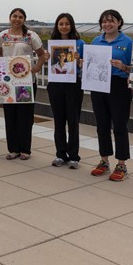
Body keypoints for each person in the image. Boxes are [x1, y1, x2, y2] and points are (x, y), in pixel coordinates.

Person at [0, 8, 46, 160]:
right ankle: (13, 149)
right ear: (10, 17)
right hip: (8, 82)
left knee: (25, 117)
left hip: (26, 82)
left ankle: (25, 149)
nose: (17, 19)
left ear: (24, 19)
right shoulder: (2, 35)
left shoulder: (31, 35)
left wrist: (37, 68)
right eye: (14, 16)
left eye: (20, 17)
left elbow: (42, 54)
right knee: (10, 116)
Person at [89, 9, 133, 181]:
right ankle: (104, 160)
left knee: (120, 126)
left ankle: (121, 164)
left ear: (119, 22)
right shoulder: (95, 41)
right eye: (104, 21)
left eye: (111, 20)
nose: (107, 24)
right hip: (98, 85)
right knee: (102, 125)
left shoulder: (127, 42)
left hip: (119, 86)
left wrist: (123, 67)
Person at [48, 13, 85, 169]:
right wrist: (47, 56)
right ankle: (60, 154)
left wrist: (79, 60)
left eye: (67, 24)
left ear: (72, 26)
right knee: (59, 121)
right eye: (61, 24)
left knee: (73, 121)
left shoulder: (80, 43)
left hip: (73, 84)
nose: (64, 26)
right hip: (55, 84)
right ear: (57, 26)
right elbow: (50, 64)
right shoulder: (52, 44)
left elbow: (85, 66)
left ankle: (74, 156)